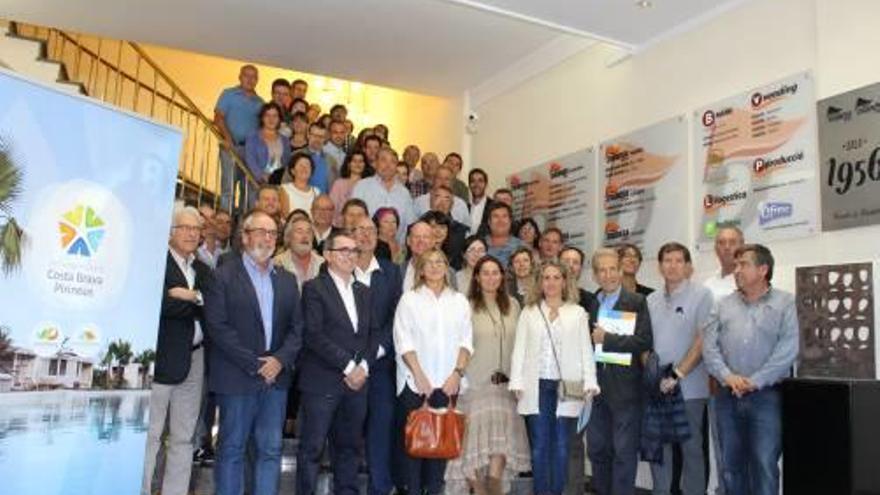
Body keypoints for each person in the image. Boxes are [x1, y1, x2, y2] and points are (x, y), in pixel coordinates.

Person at [204, 209, 304, 495]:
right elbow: (218, 327)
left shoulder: (286, 279)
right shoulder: (222, 276)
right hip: (237, 378)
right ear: (244, 237)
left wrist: (279, 361)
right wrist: (255, 363)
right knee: (232, 448)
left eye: (273, 233)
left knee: (271, 450)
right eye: (261, 232)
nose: (268, 238)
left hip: (276, 380)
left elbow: (298, 329)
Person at [702, 244, 798, 495]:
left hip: (767, 396)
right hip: (727, 395)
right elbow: (710, 348)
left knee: (764, 464)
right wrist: (727, 377)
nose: (737, 270)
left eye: (743, 264)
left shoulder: (785, 303)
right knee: (731, 466)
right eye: (736, 265)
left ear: (763, 269)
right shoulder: (723, 304)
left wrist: (755, 381)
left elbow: (787, 350)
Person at [509, 260, 600, 495]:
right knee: (539, 447)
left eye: (556, 277)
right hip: (535, 386)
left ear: (564, 281)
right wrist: (517, 381)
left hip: (567, 388)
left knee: (561, 447)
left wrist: (590, 382)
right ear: (539, 282)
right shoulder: (529, 312)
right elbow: (519, 349)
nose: (551, 282)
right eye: (546, 277)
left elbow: (585, 350)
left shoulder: (578, 313)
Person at [296, 231, 375, 495]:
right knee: (312, 450)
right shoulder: (314, 288)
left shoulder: (364, 291)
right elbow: (314, 335)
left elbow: (370, 335)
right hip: (322, 383)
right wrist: (349, 367)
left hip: (356, 386)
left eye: (354, 250)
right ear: (328, 255)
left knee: (350, 449)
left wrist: (363, 366)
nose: (350, 255)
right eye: (343, 250)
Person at [445, 256, 531, 495]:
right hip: (475, 384)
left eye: (496, 272)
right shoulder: (465, 304)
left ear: (503, 276)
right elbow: (457, 343)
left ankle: (492, 488)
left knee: (500, 445)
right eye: (486, 273)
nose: (491, 277)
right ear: (477, 277)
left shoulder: (513, 304)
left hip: (506, 387)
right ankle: (478, 488)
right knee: (469, 446)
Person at [142, 205, 212, 495]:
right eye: (184, 228)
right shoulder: (155, 263)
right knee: (152, 436)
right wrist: (196, 302)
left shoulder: (204, 270)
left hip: (195, 358)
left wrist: (190, 295)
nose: (191, 234)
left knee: (184, 438)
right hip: (162, 358)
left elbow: (213, 307)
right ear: (170, 232)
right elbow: (159, 304)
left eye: (196, 229)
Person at [393, 249, 473, 495]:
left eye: (440, 261)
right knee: (414, 451)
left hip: (447, 384)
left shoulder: (459, 300)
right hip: (415, 384)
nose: (435, 266)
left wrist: (457, 374)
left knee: (441, 449)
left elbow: (466, 342)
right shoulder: (410, 299)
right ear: (421, 268)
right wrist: (419, 375)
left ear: (447, 266)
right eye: (429, 262)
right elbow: (403, 340)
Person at [647, 242, 714, 495]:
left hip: (689, 387)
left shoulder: (702, 295)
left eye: (678, 260)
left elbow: (702, 340)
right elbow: (645, 342)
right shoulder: (651, 299)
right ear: (660, 266)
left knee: (692, 450)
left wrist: (677, 374)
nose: (672, 265)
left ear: (688, 266)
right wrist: (654, 374)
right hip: (658, 387)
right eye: (667, 260)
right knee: (660, 450)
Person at [585, 247, 653, 495]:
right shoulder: (594, 302)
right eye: (602, 270)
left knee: (624, 453)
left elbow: (644, 341)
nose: (608, 275)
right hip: (597, 390)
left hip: (626, 391)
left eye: (612, 269)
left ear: (621, 270)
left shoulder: (636, 302)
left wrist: (608, 338)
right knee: (597, 450)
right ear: (594, 275)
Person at [352, 216, 404, 495]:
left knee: (381, 431)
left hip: (381, 366)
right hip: (344, 367)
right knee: (346, 433)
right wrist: (352, 361)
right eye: (360, 230)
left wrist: (371, 357)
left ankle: (379, 488)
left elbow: (395, 319)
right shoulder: (338, 269)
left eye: (371, 230)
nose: (366, 235)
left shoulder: (390, 272)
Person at [702, 225, 744, 495]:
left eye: (732, 242)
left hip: (751, 376)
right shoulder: (708, 285)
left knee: (754, 450)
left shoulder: (750, 280)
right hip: (718, 376)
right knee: (723, 447)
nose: (727, 247)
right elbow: (705, 334)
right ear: (716, 248)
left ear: (742, 244)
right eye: (721, 242)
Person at [214, 65, 263, 210]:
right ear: (240, 77)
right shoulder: (228, 94)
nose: (250, 79)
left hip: (250, 152)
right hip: (230, 147)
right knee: (228, 189)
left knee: (248, 191)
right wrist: (228, 139)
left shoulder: (260, 102)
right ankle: (225, 224)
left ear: (257, 80)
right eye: (246, 75)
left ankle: (242, 226)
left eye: (253, 77)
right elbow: (218, 118)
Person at [352, 146, 416, 242]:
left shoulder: (404, 193)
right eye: (383, 160)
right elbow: (352, 218)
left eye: (392, 162)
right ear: (376, 163)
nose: (388, 165)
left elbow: (410, 224)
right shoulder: (362, 186)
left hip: (395, 251)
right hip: (366, 248)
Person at [273, 216, 324, 292]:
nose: (305, 236)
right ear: (289, 237)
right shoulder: (276, 263)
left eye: (308, 232)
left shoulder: (323, 263)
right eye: (299, 232)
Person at [245, 102, 290, 184]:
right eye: (267, 115)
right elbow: (250, 160)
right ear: (262, 118)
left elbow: (286, 162)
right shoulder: (253, 138)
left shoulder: (285, 140)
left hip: (279, 183)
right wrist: (261, 176)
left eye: (275, 116)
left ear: (279, 119)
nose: (271, 119)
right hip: (258, 183)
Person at [330, 151, 372, 226]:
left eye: (361, 161)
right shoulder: (339, 184)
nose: (357, 164)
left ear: (365, 165)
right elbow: (332, 208)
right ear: (348, 164)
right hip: (341, 227)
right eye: (354, 161)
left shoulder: (369, 185)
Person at [279, 153, 321, 217]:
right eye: (301, 165)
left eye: (307, 165)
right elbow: (284, 216)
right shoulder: (285, 189)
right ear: (293, 170)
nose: (304, 168)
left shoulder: (316, 191)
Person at [483, 202, 522, 266]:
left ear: (510, 221)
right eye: (496, 216)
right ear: (489, 222)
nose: (500, 220)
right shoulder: (479, 246)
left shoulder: (521, 247)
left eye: (504, 216)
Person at [306, 123, 338, 194]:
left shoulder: (331, 160)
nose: (317, 139)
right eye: (314, 135)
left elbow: (335, 186)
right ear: (308, 135)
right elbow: (286, 182)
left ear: (325, 138)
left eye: (321, 136)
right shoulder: (296, 155)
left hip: (324, 202)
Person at [468, 168, 490, 236]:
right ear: (469, 185)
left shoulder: (494, 206)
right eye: (473, 181)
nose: (476, 184)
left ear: (486, 184)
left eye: (480, 181)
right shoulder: (464, 207)